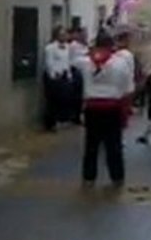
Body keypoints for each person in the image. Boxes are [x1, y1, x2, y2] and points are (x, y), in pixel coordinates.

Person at [77, 31, 135, 188]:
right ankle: (117, 177)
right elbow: (128, 89)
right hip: (112, 107)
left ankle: (89, 177)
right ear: (112, 45)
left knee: (91, 145)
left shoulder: (84, 62)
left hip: (91, 107)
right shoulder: (120, 63)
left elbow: (73, 61)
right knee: (113, 145)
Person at [43, 27, 72, 131]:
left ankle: (61, 120)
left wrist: (69, 75)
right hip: (54, 77)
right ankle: (51, 124)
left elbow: (67, 61)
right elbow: (49, 63)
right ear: (56, 35)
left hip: (64, 76)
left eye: (65, 34)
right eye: (61, 34)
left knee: (63, 100)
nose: (64, 36)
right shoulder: (50, 48)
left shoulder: (67, 47)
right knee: (52, 101)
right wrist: (53, 76)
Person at [67, 27, 89, 125]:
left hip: (86, 73)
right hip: (77, 72)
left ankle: (80, 114)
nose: (85, 36)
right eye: (83, 34)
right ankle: (74, 115)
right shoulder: (73, 46)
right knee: (77, 95)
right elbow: (70, 59)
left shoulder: (86, 46)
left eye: (86, 34)